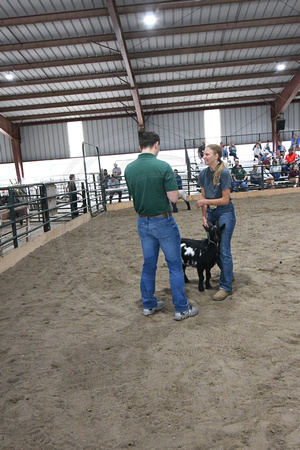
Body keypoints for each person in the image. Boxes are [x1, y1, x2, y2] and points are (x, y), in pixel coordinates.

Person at [124, 129, 198, 321]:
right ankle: (181, 308)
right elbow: (174, 197)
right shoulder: (163, 166)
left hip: (142, 221)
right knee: (174, 265)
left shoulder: (129, 169)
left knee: (149, 264)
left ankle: (148, 304)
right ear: (156, 144)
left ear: (140, 146)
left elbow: (135, 194)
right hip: (163, 221)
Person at [196, 144, 236, 301]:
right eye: (204, 154)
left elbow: (225, 200)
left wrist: (205, 201)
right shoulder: (203, 174)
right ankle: (228, 274)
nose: (204, 156)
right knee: (213, 247)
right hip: (211, 212)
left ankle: (225, 286)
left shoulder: (224, 173)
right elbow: (204, 198)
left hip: (225, 212)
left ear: (216, 156)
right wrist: (204, 217)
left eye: (207, 154)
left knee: (224, 248)